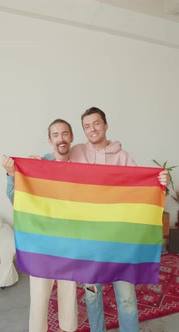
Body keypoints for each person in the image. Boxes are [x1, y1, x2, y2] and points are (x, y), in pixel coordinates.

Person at [70, 106, 169, 332]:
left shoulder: (123, 156)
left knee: (126, 299)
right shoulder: (76, 153)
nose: (92, 129)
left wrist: (160, 181)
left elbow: (140, 188)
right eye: (87, 126)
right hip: (90, 243)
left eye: (96, 123)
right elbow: (56, 167)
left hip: (120, 242)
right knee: (92, 295)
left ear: (105, 125)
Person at [2, 119, 78, 332]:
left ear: (71, 137)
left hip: (69, 244)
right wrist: (11, 175)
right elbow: (16, 199)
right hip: (42, 244)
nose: (60, 139)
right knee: (39, 298)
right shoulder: (38, 165)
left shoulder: (81, 167)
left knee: (68, 295)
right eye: (55, 135)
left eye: (64, 134)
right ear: (49, 140)